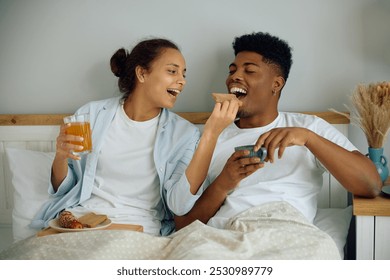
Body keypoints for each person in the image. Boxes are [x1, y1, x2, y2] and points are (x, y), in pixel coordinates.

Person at [30, 37, 240, 236]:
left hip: (137, 228)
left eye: (183, 74)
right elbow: (62, 189)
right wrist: (60, 157)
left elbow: (179, 204)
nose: (182, 81)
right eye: (172, 71)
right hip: (81, 223)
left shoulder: (184, 134)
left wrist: (210, 134)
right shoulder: (91, 115)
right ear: (142, 74)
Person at [174, 32, 382, 230]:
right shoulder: (210, 138)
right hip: (224, 236)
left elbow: (370, 184)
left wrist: (308, 138)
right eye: (232, 70)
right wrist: (222, 184)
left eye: (249, 70)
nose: (234, 77)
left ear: (276, 84)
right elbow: (183, 225)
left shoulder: (310, 127)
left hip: (287, 234)